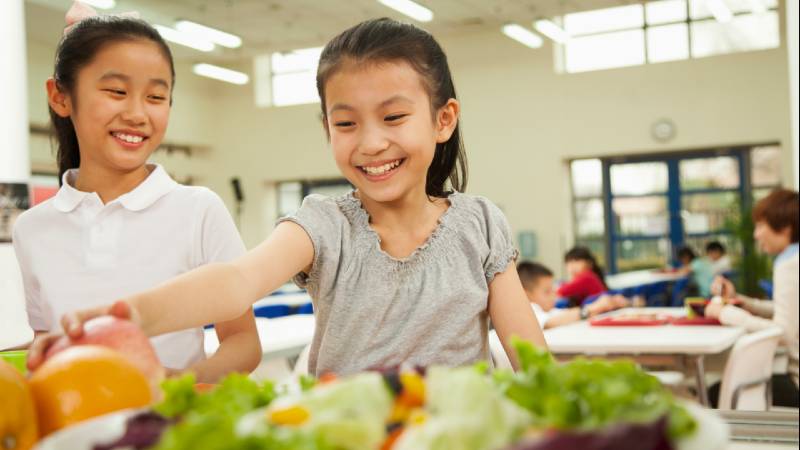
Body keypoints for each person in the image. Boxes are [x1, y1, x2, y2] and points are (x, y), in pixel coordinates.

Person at [28, 17, 546, 376]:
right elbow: (235, 282)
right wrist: (128, 315)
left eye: (393, 117)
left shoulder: (479, 224)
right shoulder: (322, 225)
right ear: (327, 128)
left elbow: (529, 356)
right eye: (346, 123)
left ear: (442, 119)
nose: (370, 143)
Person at [14, 2, 260, 382]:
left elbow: (243, 341)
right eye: (116, 91)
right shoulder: (32, 228)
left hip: (168, 431)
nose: (137, 113)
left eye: (156, 97)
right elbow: (47, 343)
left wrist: (178, 386)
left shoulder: (198, 210)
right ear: (61, 97)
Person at [705, 189, 799, 407]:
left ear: (785, 228)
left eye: (760, 226)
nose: (756, 235)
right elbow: (791, 312)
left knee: (714, 392)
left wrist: (725, 313)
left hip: (796, 382)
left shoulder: (789, 264)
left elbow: (784, 333)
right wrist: (743, 301)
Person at [517, 261, 627, 329]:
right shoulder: (529, 310)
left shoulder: (548, 311)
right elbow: (549, 323)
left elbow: (567, 314)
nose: (553, 296)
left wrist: (601, 307)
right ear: (526, 295)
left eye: (553, 290)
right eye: (547, 292)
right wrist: (593, 308)